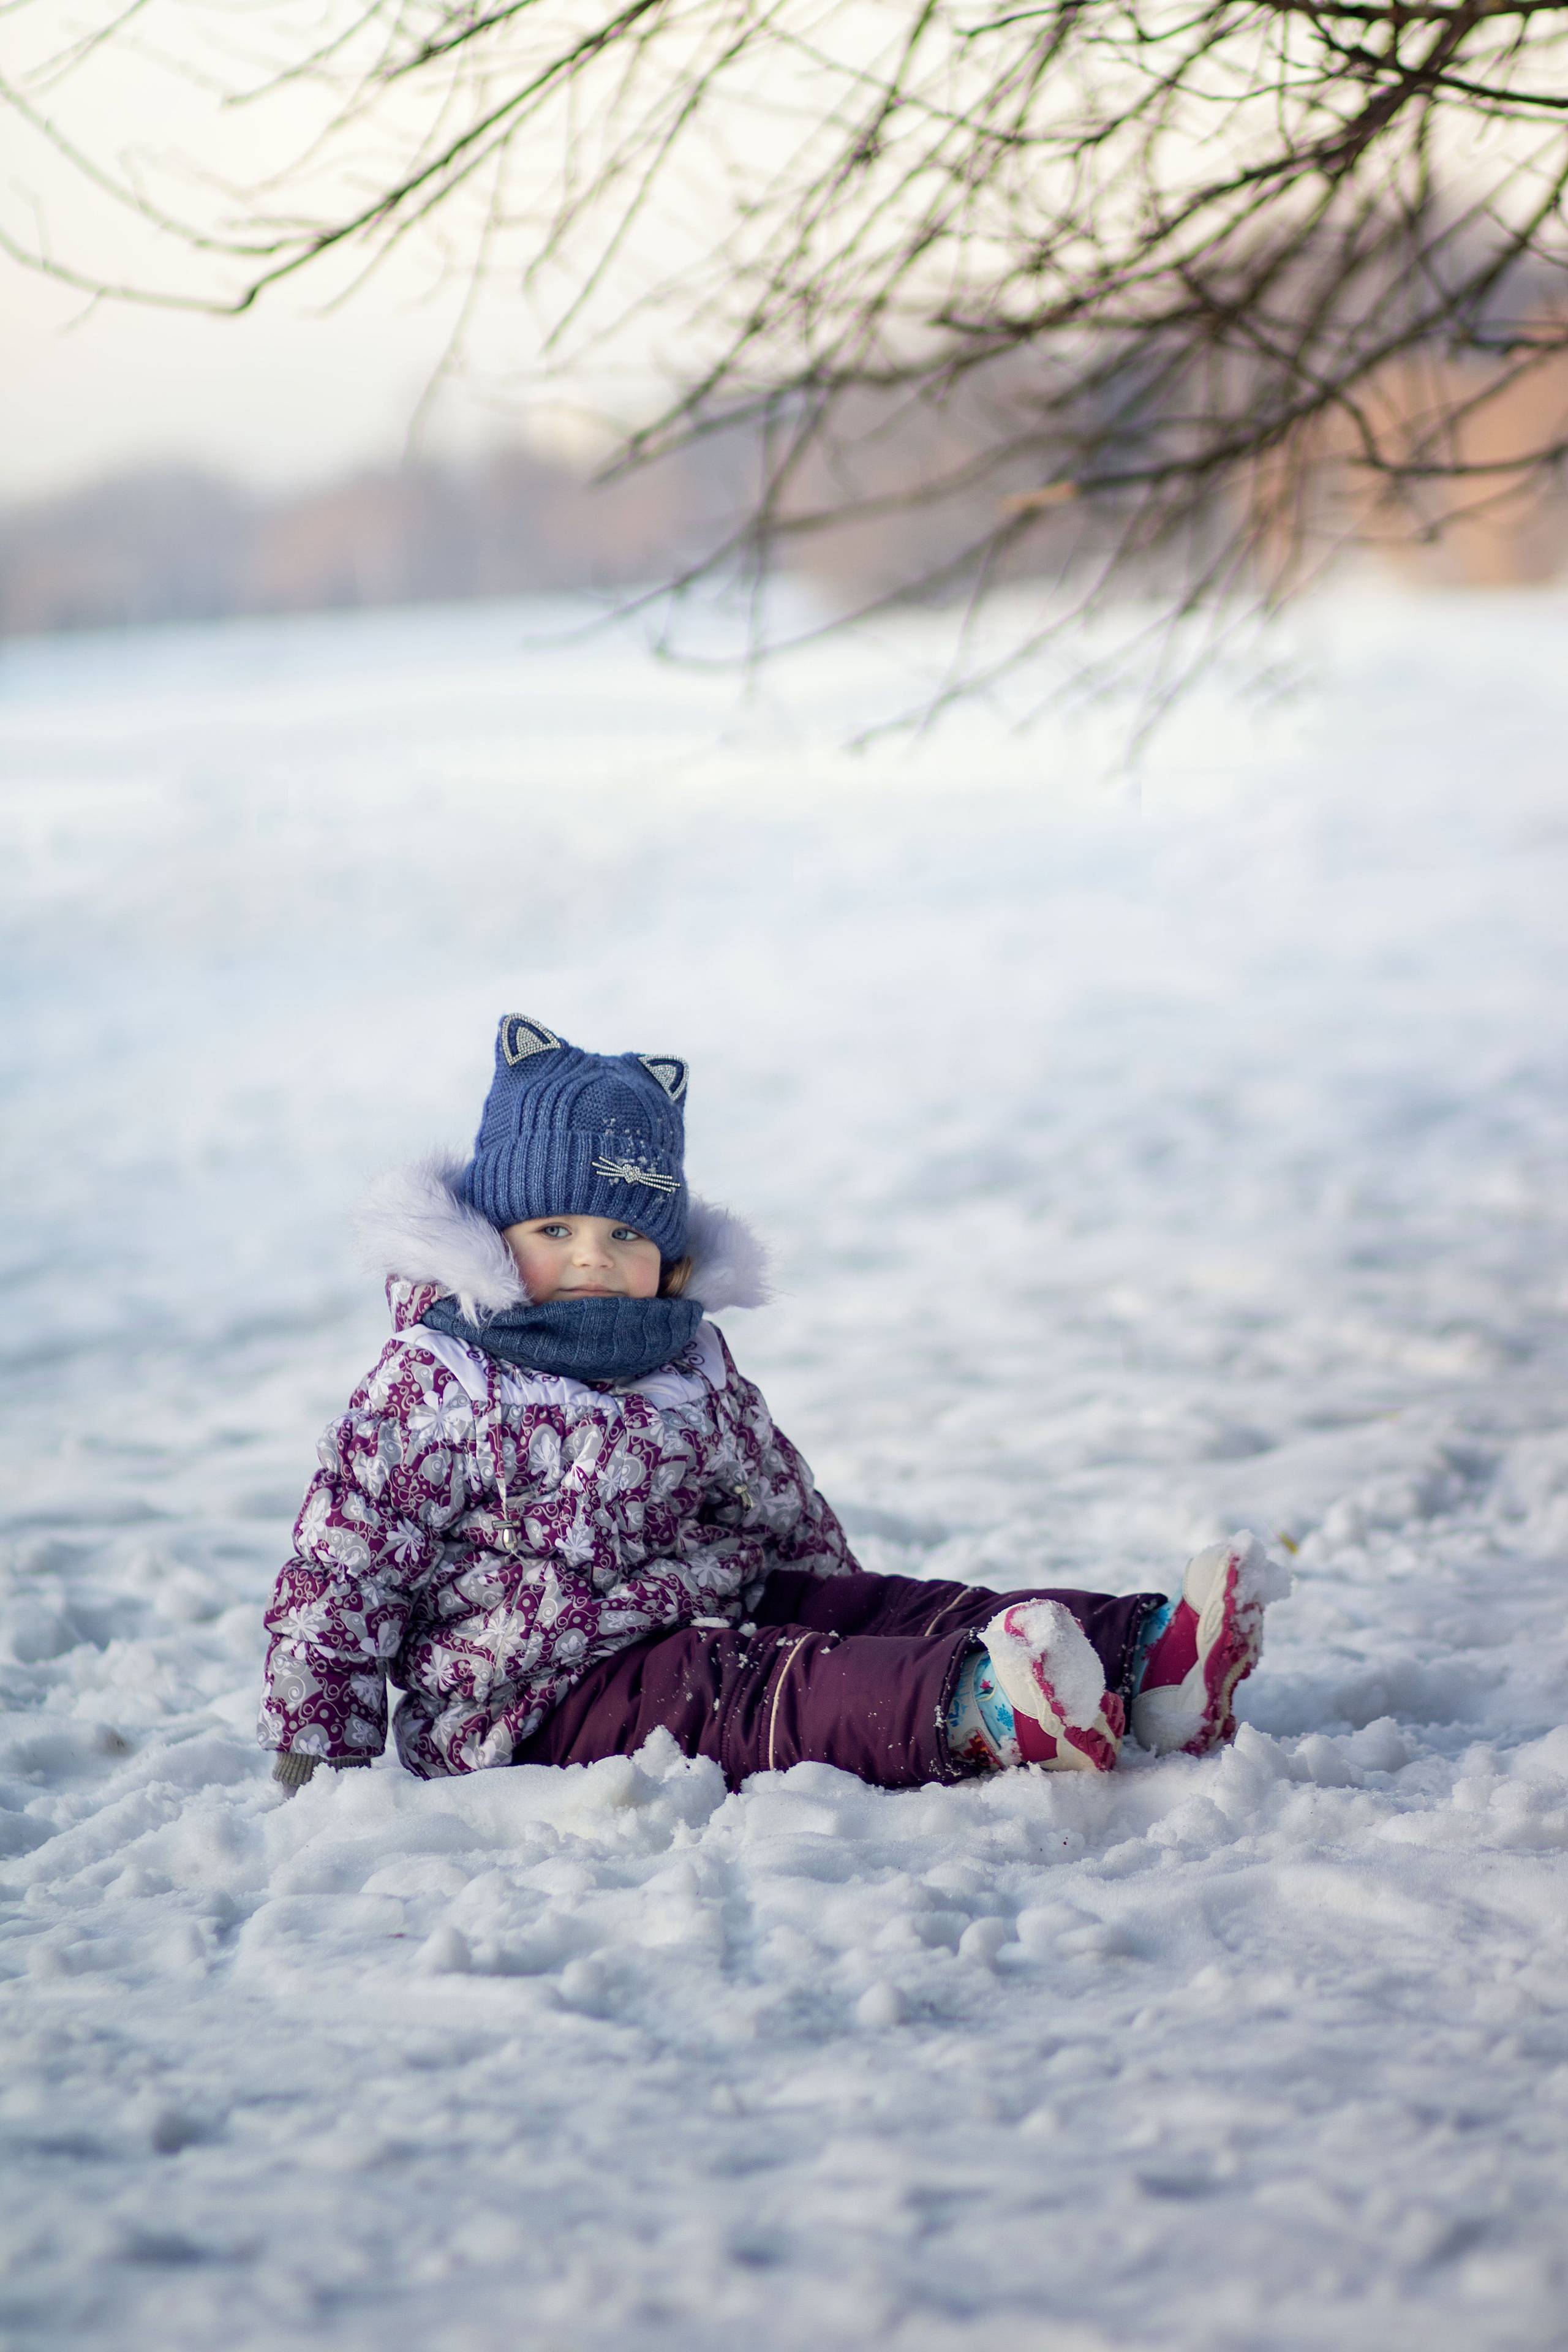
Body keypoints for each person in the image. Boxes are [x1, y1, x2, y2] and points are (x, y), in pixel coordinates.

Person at [260, 1016, 1288, 1793]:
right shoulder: (439, 1382)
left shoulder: (686, 1357)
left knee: (873, 1611)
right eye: (557, 1230)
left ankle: (1145, 1659)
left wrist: (850, 1609)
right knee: (758, 1687)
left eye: (625, 1235)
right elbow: (342, 1568)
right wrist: (318, 1745)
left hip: (709, 1605)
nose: (592, 1258)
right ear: (495, 1233)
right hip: (534, 1694)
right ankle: (981, 1708)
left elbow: (774, 1497)